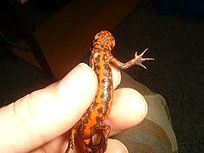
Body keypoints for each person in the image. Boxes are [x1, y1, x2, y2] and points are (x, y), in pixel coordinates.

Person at [0, 63, 148, 153]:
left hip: (88, 122)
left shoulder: (84, 130)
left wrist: (72, 145)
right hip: (90, 122)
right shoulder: (89, 130)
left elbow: (79, 131)